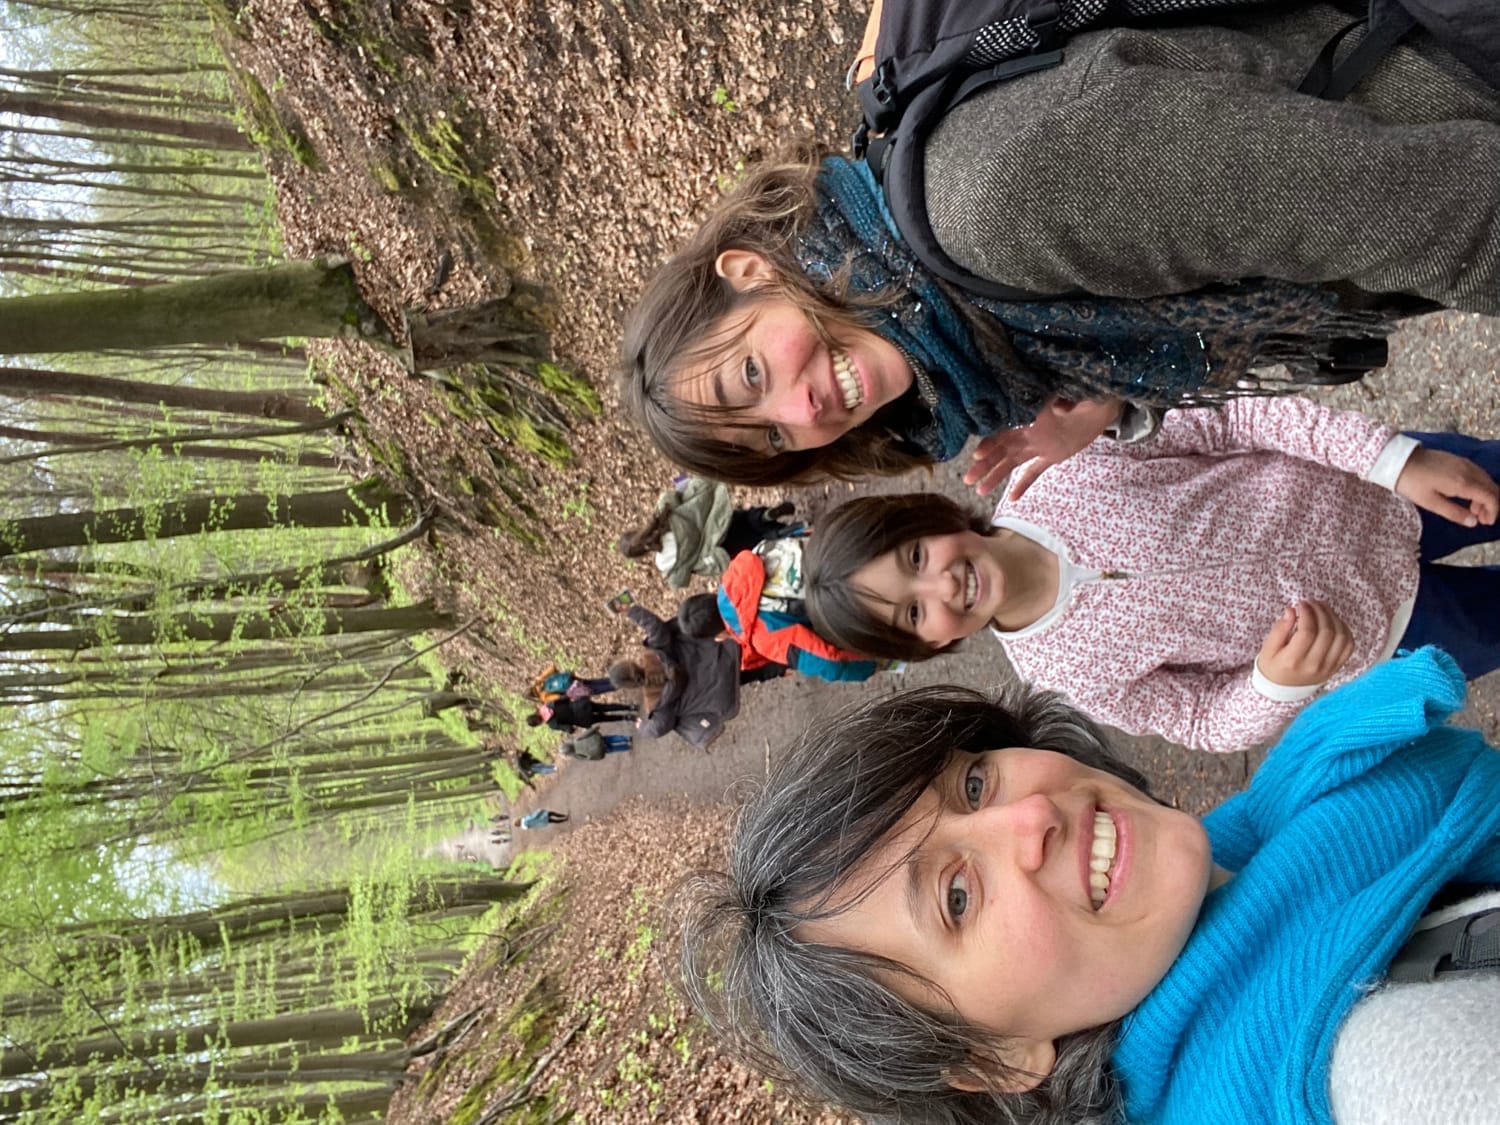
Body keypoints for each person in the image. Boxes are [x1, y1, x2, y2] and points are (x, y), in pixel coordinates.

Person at [620, 5, 1499, 495]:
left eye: (750, 375)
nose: (804, 411)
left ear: (750, 271)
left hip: (1455, 81)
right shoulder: (980, 327)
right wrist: (1109, 401)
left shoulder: (993, 205)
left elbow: (1440, 212)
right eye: (774, 437)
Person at [676, 650, 1500, 1124]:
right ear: (995, 1056)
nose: (1030, 814)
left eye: (971, 785)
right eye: (957, 897)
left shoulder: (1234, 859)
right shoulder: (1341, 1060)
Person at [801, 394, 1500, 752]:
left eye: (916, 559)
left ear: (929, 518)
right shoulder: (1063, 675)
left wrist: (1392, 460)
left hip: (1380, 487)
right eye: (914, 612)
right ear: (928, 645)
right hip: (1385, 636)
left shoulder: (1059, 467)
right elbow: (1197, 718)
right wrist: (1272, 685)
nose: (943, 585)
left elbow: (1232, 419)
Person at [712, 541, 881, 683]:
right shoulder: (748, 561)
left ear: (719, 637)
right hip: (858, 549)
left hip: (860, 600)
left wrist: (873, 665)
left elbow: (828, 663)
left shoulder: (761, 636)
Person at [618, 475, 804, 587]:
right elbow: (675, 494)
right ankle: (766, 516)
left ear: (641, 555)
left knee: (757, 543)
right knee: (748, 519)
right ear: (636, 530)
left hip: (720, 550)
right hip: (718, 519)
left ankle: (786, 533)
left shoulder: (664, 563)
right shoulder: (661, 516)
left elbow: (678, 580)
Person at [619, 602, 742, 748]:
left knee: (750, 674)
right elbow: (655, 626)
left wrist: (642, 729)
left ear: (631, 686)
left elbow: (658, 728)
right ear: (632, 664)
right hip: (722, 654)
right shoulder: (657, 651)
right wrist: (631, 610)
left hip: (723, 690)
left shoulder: (657, 702)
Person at [526, 696, 636, 733]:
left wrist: (571, 730)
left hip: (583, 719)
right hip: (581, 705)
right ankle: (629, 707)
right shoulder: (548, 705)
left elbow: (569, 728)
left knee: (604, 718)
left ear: (538, 724)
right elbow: (564, 698)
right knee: (604, 707)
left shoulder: (552, 724)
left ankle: (625, 717)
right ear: (535, 713)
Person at [559, 727, 633, 761]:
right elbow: (587, 734)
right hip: (598, 740)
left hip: (599, 751)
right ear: (567, 744)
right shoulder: (576, 740)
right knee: (612, 739)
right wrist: (595, 728)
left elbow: (587, 758)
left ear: (568, 753)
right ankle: (627, 738)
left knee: (613, 749)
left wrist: (598, 757)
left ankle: (627, 747)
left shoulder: (577, 755)